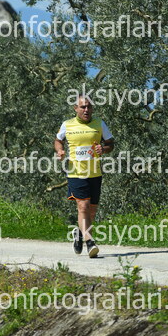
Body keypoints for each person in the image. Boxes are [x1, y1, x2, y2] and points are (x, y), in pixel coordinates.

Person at [54, 95, 114, 258]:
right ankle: (90, 243)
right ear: (75, 108)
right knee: (83, 207)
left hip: (95, 173)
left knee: (91, 212)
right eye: (83, 107)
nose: (86, 110)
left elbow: (110, 143)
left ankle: (80, 234)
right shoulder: (67, 124)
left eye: (89, 107)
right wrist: (60, 150)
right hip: (76, 173)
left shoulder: (99, 124)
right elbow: (58, 140)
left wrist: (104, 149)